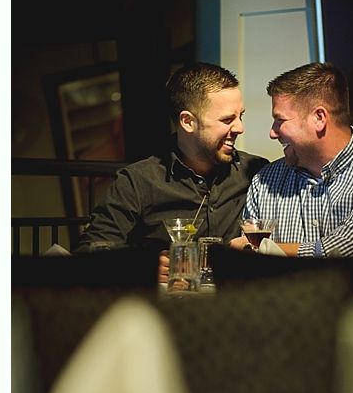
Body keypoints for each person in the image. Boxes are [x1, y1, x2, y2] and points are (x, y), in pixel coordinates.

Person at [77, 63, 268, 278]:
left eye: (241, 116)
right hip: (170, 296)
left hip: (238, 293)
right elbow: (89, 251)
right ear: (187, 122)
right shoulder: (138, 181)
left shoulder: (255, 172)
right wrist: (142, 265)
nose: (240, 128)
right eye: (227, 120)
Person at [233, 62, 353, 257]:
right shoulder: (265, 182)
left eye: (280, 120)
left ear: (319, 118)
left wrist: (265, 249)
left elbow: (347, 252)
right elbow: (250, 264)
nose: (272, 133)